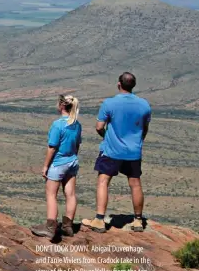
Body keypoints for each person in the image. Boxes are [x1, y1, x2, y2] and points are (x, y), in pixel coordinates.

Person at [82, 72, 151, 233]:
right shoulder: (144, 105)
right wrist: (137, 143)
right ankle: (138, 220)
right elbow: (144, 129)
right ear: (133, 85)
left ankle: (99, 220)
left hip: (111, 150)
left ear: (119, 84)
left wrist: (107, 137)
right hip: (133, 151)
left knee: (103, 181)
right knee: (135, 184)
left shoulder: (109, 103)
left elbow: (99, 126)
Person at [31, 94, 82, 239]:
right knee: (70, 194)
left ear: (61, 106)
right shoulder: (76, 124)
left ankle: (50, 228)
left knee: (51, 194)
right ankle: (67, 226)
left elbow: (52, 147)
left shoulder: (58, 124)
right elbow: (77, 145)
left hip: (58, 164)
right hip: (72, 162)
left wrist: (45, 166)